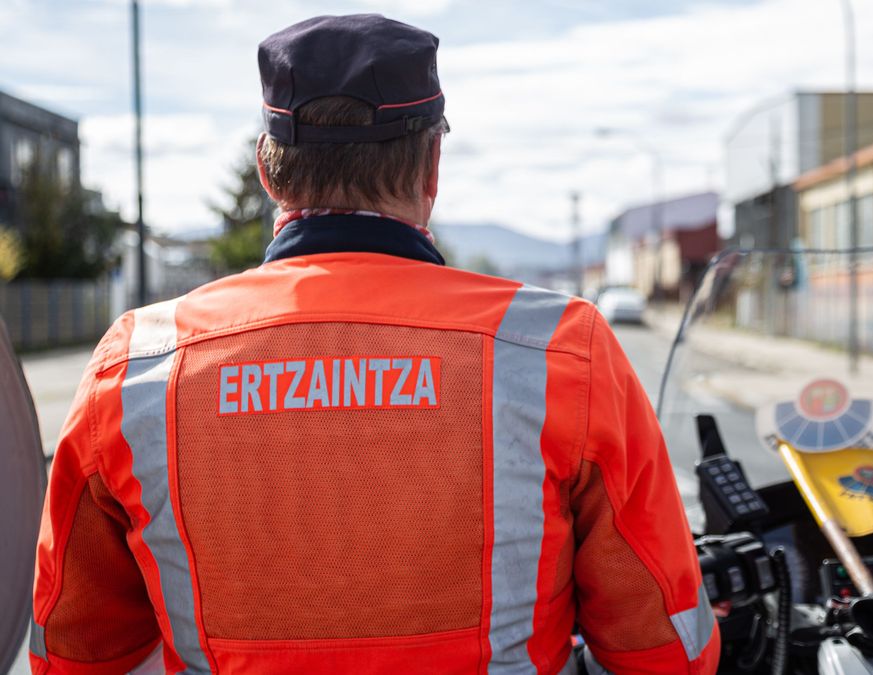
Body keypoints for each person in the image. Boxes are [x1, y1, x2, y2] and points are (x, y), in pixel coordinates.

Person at [29, 14, 717, 675]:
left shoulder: (137, 365)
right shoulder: (559, 351)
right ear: (432, 168)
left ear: (269, 173)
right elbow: (664, 650)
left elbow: (72, 653)